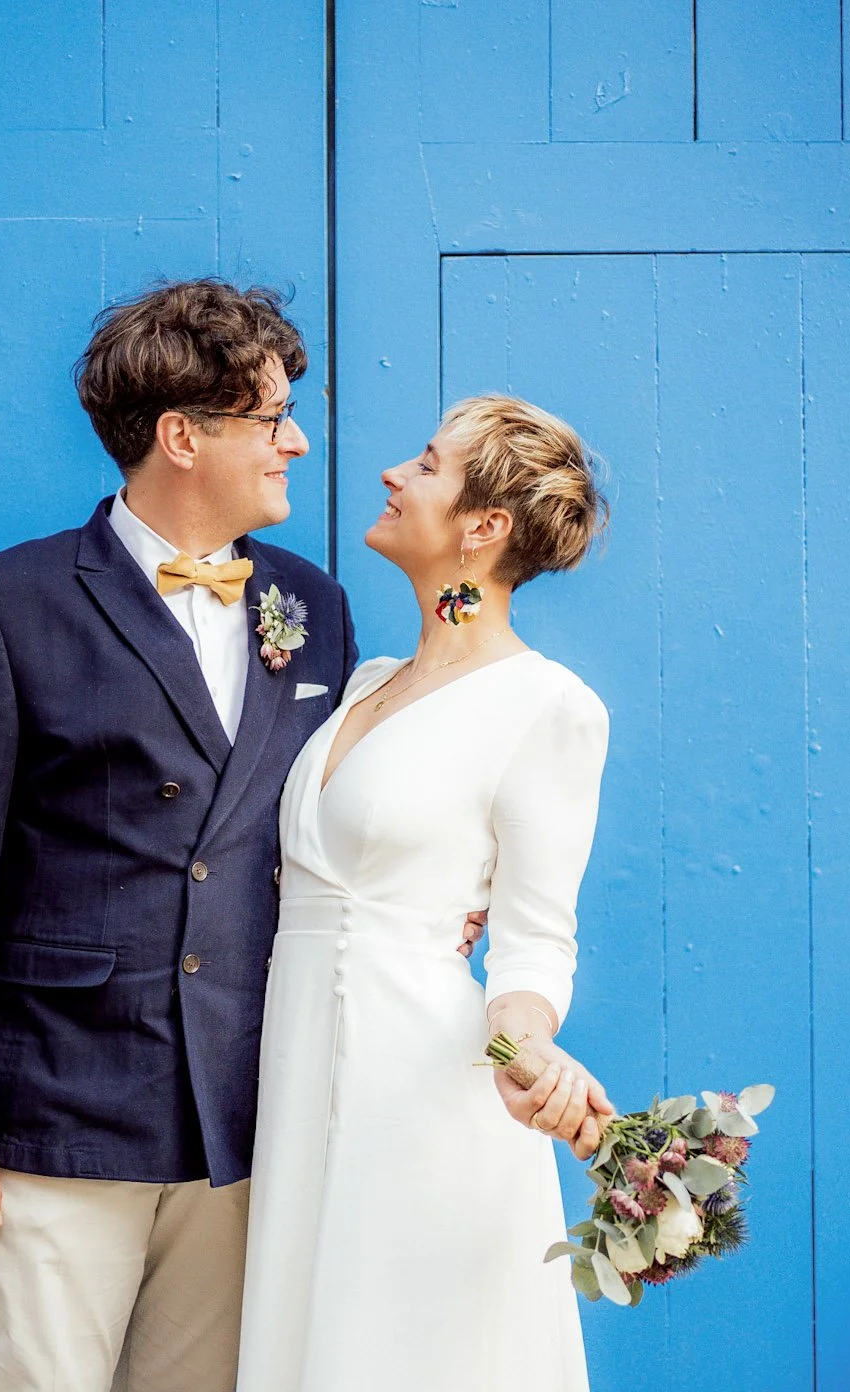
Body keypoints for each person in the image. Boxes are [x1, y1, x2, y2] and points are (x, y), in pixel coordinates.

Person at [0, 278, 481, 1392]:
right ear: (180, 435)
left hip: (250, 1116)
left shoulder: (313, 605)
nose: (296, 440)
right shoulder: (4, 607)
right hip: (58, 1114)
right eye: (270, 418)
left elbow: (346, 805)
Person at [238, 394, 615, 1392]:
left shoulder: (547, 708)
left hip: (417, 1090)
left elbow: (536, 936)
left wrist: (524, 1041)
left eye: (426, 465)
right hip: (296, 1077)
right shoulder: (366, 680)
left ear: (482, 527)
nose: (392, 476)